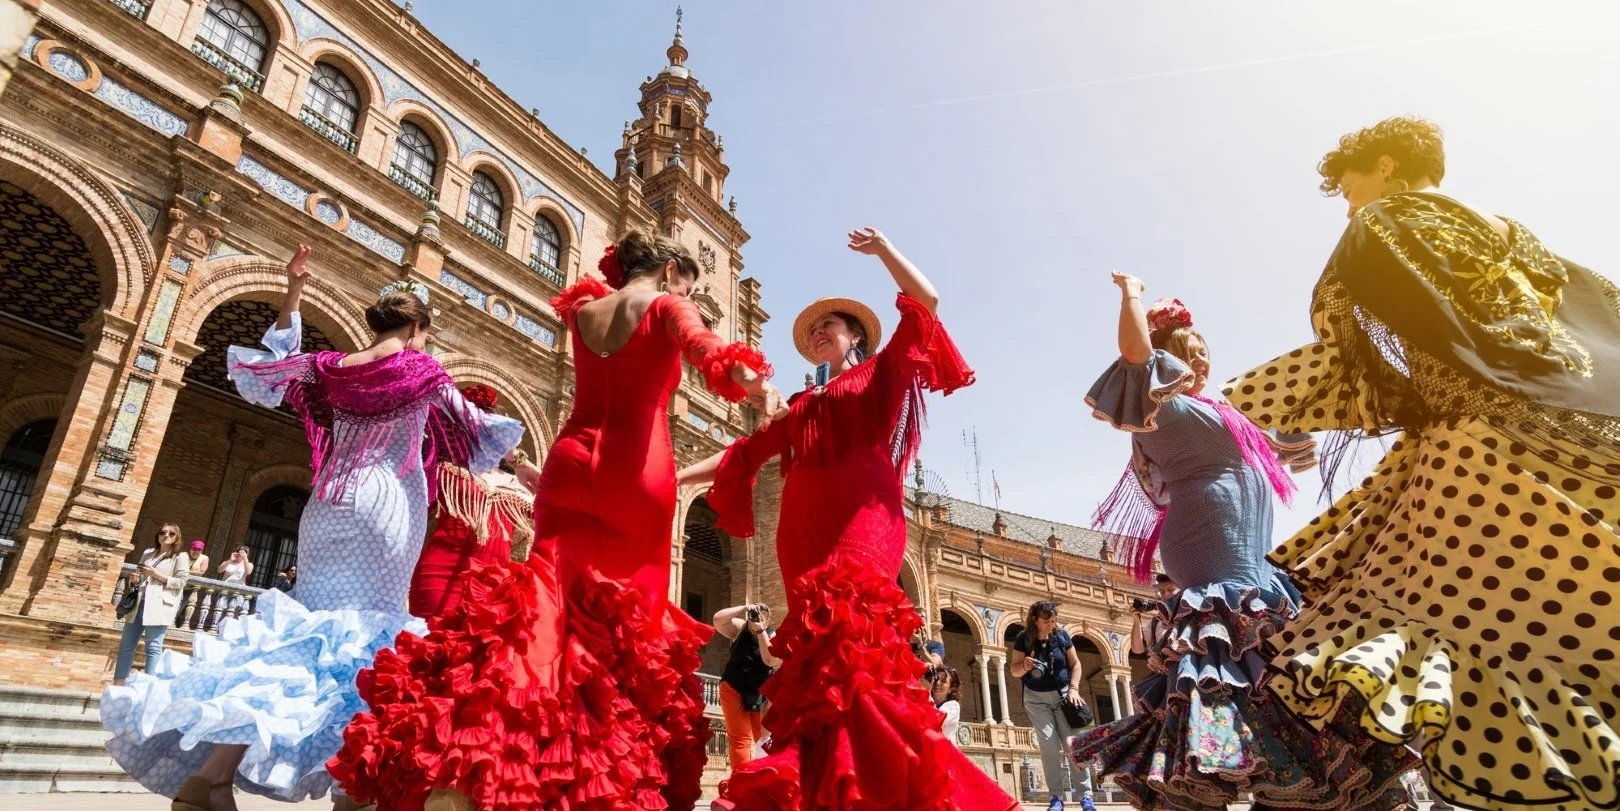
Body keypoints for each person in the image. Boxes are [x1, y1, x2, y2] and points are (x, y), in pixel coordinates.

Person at [1224, 116, 1620, 811]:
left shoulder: (1384, 224)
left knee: (1481, 638)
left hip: (1480, 454)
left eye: (1351, 187)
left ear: (1385, 166)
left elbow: (1350, 350)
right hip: (1586, 437)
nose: (1349, 205)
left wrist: (1245, 402)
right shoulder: (1517, 236)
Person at [331, 229, 783, 811]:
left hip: (568, 463)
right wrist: (758, 385)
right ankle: (586, 778)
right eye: (688, 286)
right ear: (671, 271)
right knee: (625, 627)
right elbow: (707, 349)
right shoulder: (668, 305)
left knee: (543, 607)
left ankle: (474, 756)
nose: (686, 295)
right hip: (635, 471)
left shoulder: (585, 310)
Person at [100, 244, 523, 810]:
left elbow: (269, 370)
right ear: (416, 329)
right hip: (386, 506)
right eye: (424, 335)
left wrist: (294, 292)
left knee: (304, 635)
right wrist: (528, 469)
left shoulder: (330, 367)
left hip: (326, 504)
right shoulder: (420, 367)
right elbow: (475, 428)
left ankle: (212, 778)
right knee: (367, 642)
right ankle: (354, 789)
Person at [681, 227, 1016, 810]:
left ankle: (891, 785)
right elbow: (743, 455)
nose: (819, 332)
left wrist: (884, 250)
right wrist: (674, 476)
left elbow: (926, 304)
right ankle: (832, 788)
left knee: (856, 644)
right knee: (820, 664)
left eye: (829, 324)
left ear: (855, 334)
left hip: (864, 522)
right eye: (814, 329)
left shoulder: (880, 374)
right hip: (801, 537)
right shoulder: (799, 405)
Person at [1069, 281, 1416, 809]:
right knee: (1231, 664)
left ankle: (1277, 777)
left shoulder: (1228, 413)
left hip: (1255, 562)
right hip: (1213, 554)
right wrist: (1132, 295)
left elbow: (1296, 436)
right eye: (1189, 354)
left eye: (1205, 353)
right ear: (1168, 363)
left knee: (1268, 666)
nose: (1201, 362)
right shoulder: (1164, 408)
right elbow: (1135, 354)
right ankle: (1219, 774)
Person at [407, 383, 541, 617]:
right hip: (438, 576)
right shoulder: (444, 470)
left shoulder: (521, 486)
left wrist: (521, 462)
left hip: (493, 589)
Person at [1009, 600, 1094, 811]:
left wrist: (1074, 689)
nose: (1051, 625)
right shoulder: (1023, 639)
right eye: (1046, 621)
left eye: (1053, 620)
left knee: (1072, 743)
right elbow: (1014, 670)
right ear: (1035, 620)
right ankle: (1056, 797)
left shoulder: (1062, 636)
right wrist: (1025, 666)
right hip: (1036, 699)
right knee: (1048, 745)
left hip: (1064, 696)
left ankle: (1086, 796)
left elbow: (1076, 664)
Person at [111, 523, 189, 686]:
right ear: (158, 535)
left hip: (159, 605)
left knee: (153, 647)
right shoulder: (148, 553)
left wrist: (155, 574)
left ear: (177, 538)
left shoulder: (180, 557)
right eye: (163, 532)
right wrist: (135, 580)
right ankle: (118, 684)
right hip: (138, 603)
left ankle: (148, 686)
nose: (166, 535)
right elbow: (140, 576)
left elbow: (181, 582)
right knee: (126, 646)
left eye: (171, 534)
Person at [713, 602, 779, 771]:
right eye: (753, 615)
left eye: (759, 617)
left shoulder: (772, 634)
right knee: (739, 739)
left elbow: (770, 660)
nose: (754, 619)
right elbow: (717, 620)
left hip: (760, 695)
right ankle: (740, 778)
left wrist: (760, 631)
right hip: (733, 687)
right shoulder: (741, 628)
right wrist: (744, 608)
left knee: (763, 738)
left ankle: (765, 776)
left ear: (767, 620)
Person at [1127, 573, 1176, 657]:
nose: (1166, 594)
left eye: (1171, 590)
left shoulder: (1193, 613)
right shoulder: (1157, 621)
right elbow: (1138, 649)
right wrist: (1137, 619)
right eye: (1162, 591)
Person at [928, 665, 964, 746]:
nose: (938, 683)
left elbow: (936, 720)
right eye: (936, 679)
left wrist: (927, 691)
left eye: (943, 681)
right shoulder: (926, 699)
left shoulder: (953, 706)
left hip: (945, 750)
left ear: (951, 688)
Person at [216, 545, 253, 617]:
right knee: (221, 612)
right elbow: (219, 570)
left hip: (238, 592)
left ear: (247, 554)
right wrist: (230, 560)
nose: (241, 553)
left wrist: (245, 558)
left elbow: (248, 572)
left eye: (245, 552)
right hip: (225, 590)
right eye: (239, 551)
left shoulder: (249, 564)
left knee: (235, 614)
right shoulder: (228, 562)